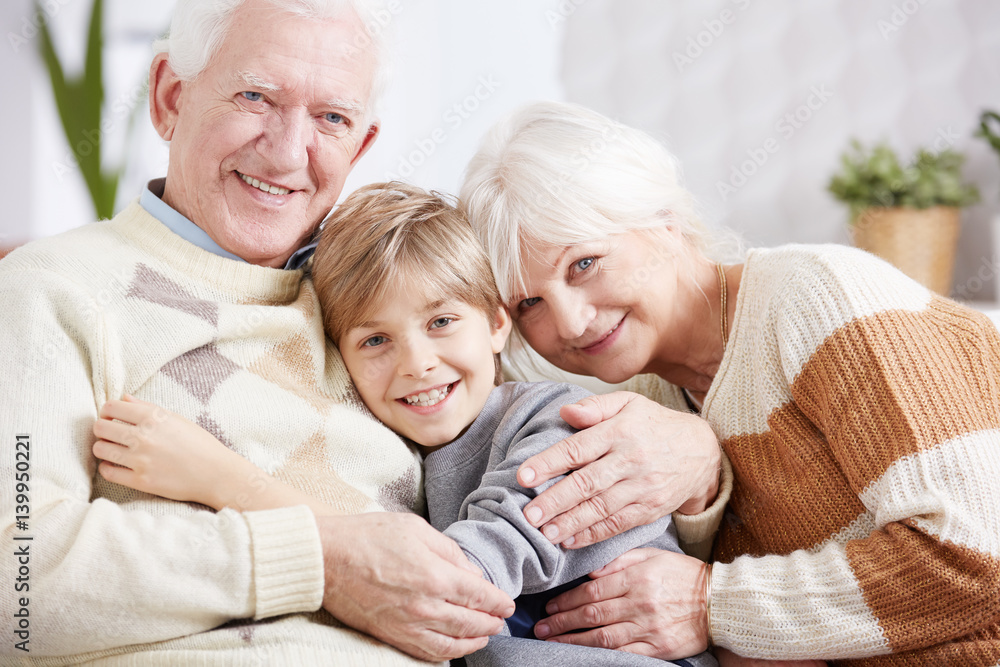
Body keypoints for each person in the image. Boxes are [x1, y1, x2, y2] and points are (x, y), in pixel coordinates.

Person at [0, 1, 520, 663]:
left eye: (331, 117)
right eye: (254, 96)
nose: (285, 152)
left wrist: (687, 449)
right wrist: (322, 559)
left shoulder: (381, 300)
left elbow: (565, 382)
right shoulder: (54, 288)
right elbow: (15, 590)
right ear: (169, 98)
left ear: (360, 144)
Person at [459, 100, 1000, 665]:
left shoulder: (818, 298)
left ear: (663, 221)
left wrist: (708, 603)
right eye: (529, 303)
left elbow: (974, 558)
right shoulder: (642, 410)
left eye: (584, 264)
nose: (570, 322)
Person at [90, 182, 718, 667]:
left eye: (442, 322)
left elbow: (453, 586)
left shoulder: (557, 426)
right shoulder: (411, 456)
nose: (416, 363)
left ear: (498, 323)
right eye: (374, 340)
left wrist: (219, 478)